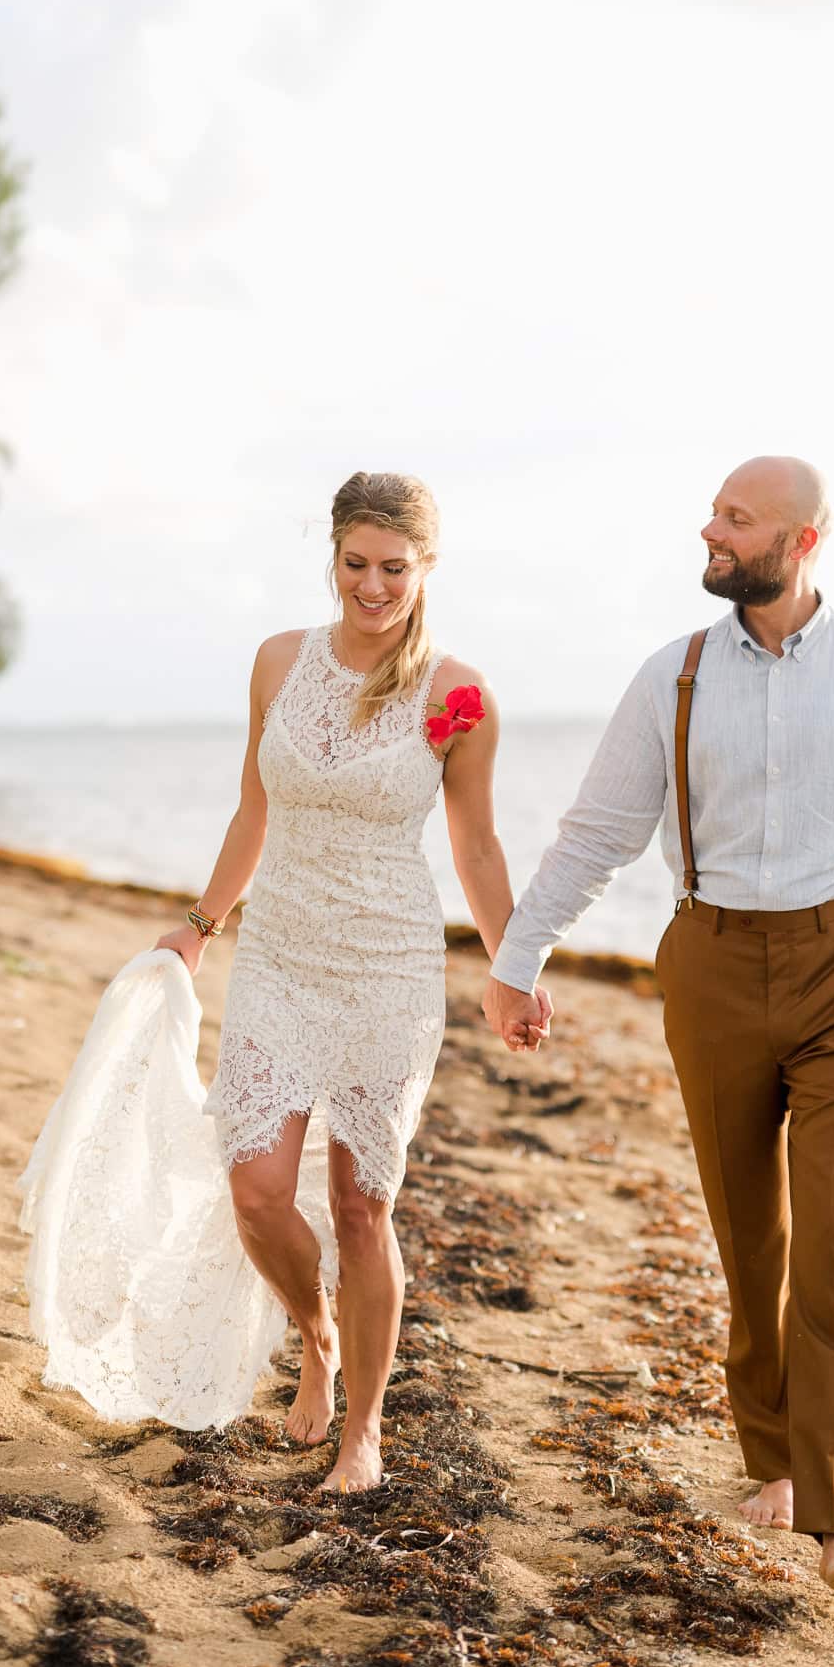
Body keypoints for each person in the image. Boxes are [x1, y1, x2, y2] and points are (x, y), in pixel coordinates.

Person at [481, 456, 834, 1596]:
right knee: (748, 1231)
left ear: (800, 541)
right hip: (710, 962)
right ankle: (771, 1456)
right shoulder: (672, 677)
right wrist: (518, 959)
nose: (708, 531)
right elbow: (598, 832)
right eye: (715, 512)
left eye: (734, 518)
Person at [136, 469, 544, 1493]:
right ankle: (314, 1333)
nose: (373, 586)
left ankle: (363, 1429)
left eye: (393, 568)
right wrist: (199, 925)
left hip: (390, 966)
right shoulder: (279, 661)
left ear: (426, 568)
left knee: (361, 1207)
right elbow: (250, 811)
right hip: (278, 950)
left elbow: (480, 847)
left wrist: (513, 966)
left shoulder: (459, 694)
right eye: (356, 564)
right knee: (257, 1186)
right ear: (333, 557)